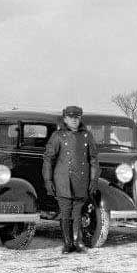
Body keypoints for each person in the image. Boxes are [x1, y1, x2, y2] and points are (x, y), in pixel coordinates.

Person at [43, 106, 99, 254]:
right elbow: (48, 159)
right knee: (66, 213)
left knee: (78, 213)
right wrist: (48, 181)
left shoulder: (87, 136)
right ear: (65, 119)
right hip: (63, 181)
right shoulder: (58, 136)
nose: (74, 120)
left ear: (80, 118)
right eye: (71, 117)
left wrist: (93, 181)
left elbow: (93, 160)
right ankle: (67, 243)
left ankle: (78, 242)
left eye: (77, 117)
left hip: (81, 180)